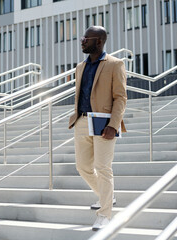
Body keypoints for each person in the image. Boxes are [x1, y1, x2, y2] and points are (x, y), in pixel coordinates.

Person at [68, 26, 127, 231]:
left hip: (104, 123)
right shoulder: (79, 67)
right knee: (83, 167)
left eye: (86, 38)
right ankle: (106, 195)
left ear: (99, 41)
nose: (82, 41)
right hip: (82, 120)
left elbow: (120, 97)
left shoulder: (114, 64)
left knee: (103, 168)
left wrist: (113, 124)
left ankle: (104, 213)